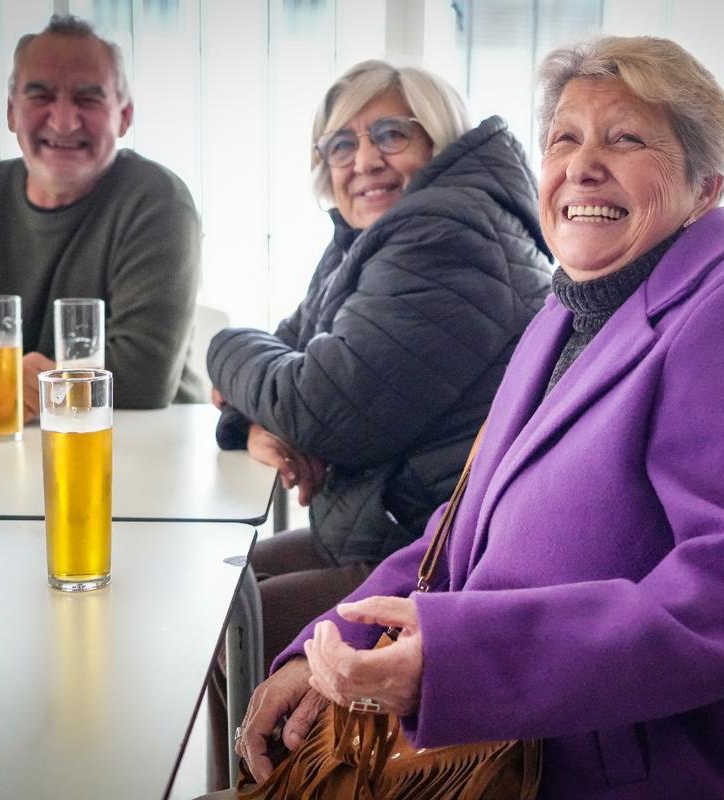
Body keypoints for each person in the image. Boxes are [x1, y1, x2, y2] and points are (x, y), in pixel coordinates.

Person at [234, 36, 724, 800]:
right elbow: (456, 533)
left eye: (626, 138)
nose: (583, 165)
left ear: (707, 186)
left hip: (643, 773)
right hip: (506, 751)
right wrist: (328, 642)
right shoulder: (566, 315)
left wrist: (457, 662)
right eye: (565, 138)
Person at [204, 60, 553, 788]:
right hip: (387, 526)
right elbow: (289, 370)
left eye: (391, 134)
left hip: (439, 557)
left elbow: (312, 404)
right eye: (342, 144)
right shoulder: (373, 239)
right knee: (217, 588)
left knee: (221, 622)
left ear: (440, 141)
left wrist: (221, 345)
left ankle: (278, 785)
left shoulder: (447, 236)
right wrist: (256, 423)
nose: (363, 160)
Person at [0, 14, 202, 419]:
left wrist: (24, 386)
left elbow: (143, 377)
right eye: (40, 96)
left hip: (148, 437)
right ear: (11, 112)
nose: (64, 121)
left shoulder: (157, 200)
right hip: (5, 440)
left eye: (89, 98)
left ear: (124, 116)